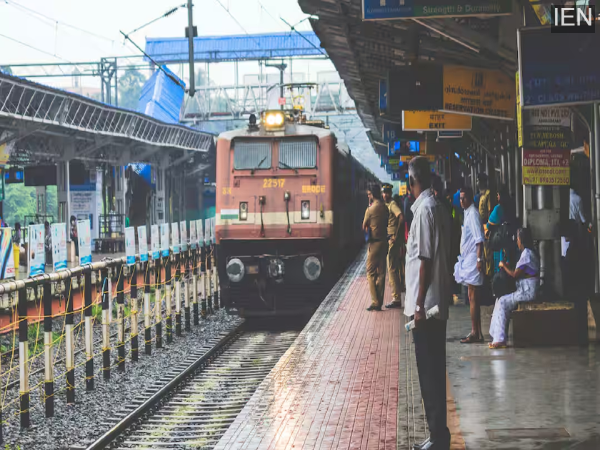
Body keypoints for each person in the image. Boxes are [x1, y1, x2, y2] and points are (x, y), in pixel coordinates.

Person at [405, 157, 452, 450]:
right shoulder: (438, 207)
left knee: (429, 373)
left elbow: (425, 260)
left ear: (412, 181)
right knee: (434, 370)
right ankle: (438, 434)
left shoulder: (424, 211)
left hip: (427, 308)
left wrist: (419, 305)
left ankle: (437, 438)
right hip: (437, 302)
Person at [489, 228, 539, 349]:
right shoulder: (527, 253)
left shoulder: (527, 254)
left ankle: (500, 339)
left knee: (503, 302)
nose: (516, 241)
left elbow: (515, 274)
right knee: (499, 299)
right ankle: (495, 334)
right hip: (524, 289)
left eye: (517, 238)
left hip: (527, 291)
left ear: (521, 240)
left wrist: (503, 265)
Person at [453, 187, 485, 343]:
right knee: (473, 297)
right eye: (460, 198)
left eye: (464, 198)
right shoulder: (467, 212)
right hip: (468, 258)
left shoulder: (472, 214)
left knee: (472, 297)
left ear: (470, 198)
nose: (461, 201)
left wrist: (479, 260)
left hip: (473, 259)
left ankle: (474, 332)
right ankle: (477, 332)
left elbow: (479, 239)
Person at [562, 220, 594, 345]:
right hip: (583, 283)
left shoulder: (574, 247)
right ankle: (582, 338)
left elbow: (570, 266)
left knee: (579, 311)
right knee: (582, 311)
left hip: (577, 284)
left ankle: (581, 339)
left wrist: (562, 261)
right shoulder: (582, 243)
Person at [363, 183, 389, 311]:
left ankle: (375, 301)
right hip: (384, 242)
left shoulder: (370, 210)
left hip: (374, 244)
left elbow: (364, 225)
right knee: (382, 272)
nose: (368, 196)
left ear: (372, 194)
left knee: (370, 272)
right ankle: (380, 301)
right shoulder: (385, 208)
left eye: (369, 194)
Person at [382, 183, 404, 309]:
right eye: (384, 193)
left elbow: (401, 217)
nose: (385, 195)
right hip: (389, 239)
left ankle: (396, 298)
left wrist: (395, 235)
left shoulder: (392, 205)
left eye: (387, 193)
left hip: (392, 240)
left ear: (390, 193)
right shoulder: (386, 205)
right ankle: (396, 295)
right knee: (393, 267)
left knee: (391, 268)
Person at [485, 185, 514, 274]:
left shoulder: (498, 208)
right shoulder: (511, 207)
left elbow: (489, 225)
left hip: (499, 240)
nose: (497, 197)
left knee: (499, 264)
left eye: (498, 195)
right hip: (510, 240)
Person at [561, 185, 587, 257]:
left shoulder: (563, 198)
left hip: (565, 225)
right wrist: (586, 224)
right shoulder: (578, 198)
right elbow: (581, 216)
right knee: (575, 245)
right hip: (575, 225)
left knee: (565, 246)